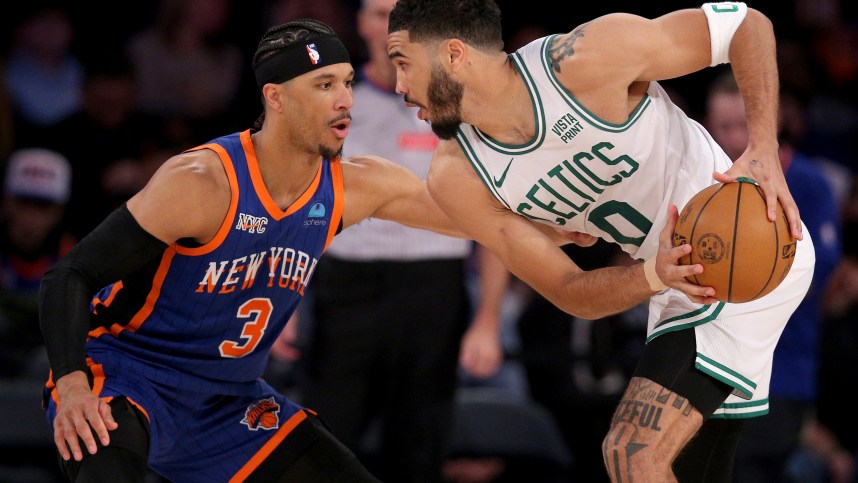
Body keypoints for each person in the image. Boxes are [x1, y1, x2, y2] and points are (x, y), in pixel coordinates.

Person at [38, 19, 580, 482]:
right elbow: (70, 275)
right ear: (275, 97)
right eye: (324, 85)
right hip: (129, 375)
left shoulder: (356, 184)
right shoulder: (203, 181)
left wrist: (559, 228)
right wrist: (71, 384)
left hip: (229, 399)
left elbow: (478, 220)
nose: (346, 99)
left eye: (346, 82)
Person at [385, 1, 815, 481]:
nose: (399, 87)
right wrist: (651, 275)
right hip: (676, 282)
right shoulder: (457, 175)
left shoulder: (584, 60)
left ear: (454, 54)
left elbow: (745, 25)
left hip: (739, 253)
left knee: (633, 452)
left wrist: (762, 147)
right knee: (681, 469)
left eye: (403, 63)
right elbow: (570, 291)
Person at [279, 2, 506, 482]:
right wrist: (283, 306)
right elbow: (290, 212)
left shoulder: (461, 107)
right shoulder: (328, 103)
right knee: (325, 442)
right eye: (380, 13)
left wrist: (487, 321)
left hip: (433, 290)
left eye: (400, 15)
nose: (391, 28)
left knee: (420, 446)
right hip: (346, 290)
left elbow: (494, 218)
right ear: (359, 22)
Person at [703, 72, 842, 482]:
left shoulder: (809, 183)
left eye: (743, 126)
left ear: (771, 120)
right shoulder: (706, 181)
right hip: (710, 363)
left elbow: (821, 276)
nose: (731, 139)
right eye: (722, 126)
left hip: (781, 370)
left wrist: (743, 272)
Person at [0, 148, 75, 379]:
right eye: (24, 202)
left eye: (42, 205)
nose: (31, 217)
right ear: (7, 202)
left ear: (58, 211)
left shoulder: (74, 257)